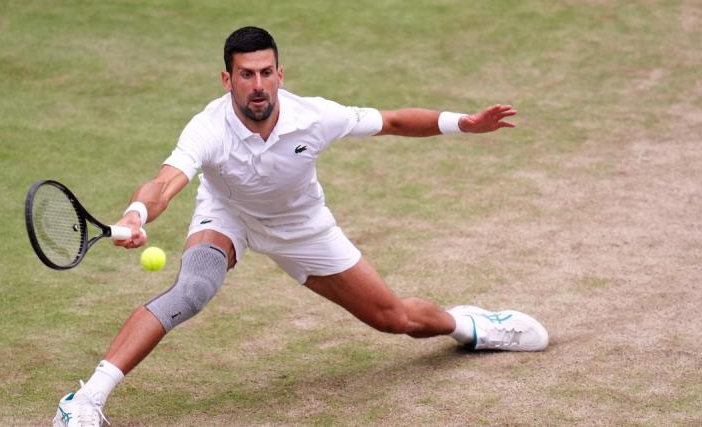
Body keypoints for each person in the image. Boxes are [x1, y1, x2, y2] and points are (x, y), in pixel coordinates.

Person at [53, 26, 548, 427]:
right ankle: (84, 400)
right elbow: (164, 183)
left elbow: (394, 121)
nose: (258, 85)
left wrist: (465, 123)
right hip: (228, 217)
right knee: (193, 289)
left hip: (302, 228)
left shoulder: (315, 116)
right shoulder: (207, 127)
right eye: (246, 75)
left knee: (394, 319)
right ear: (227, 80)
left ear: (280, 73)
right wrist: (137, 215)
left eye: (266, 72)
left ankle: (474, 326)